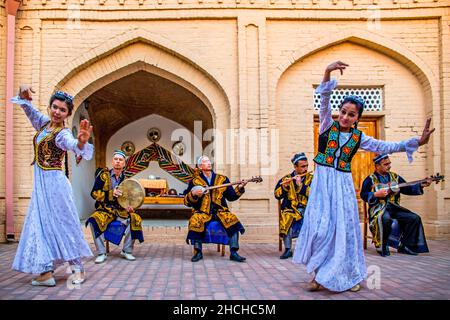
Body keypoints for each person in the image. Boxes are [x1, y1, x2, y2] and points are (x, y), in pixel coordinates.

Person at [292, 61, 435, 293]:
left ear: (358, 117)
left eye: (352, 115)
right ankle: (318, 274)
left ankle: (349, 274)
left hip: (343, 184)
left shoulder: (359, 138)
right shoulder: (327, 125)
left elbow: (388, 144)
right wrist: (327, 71)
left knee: (345, 230)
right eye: (344, 113)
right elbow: (325, 99)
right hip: (322, 183)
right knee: (321, 229)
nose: (346, 117)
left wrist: (418, 142)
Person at [11, 85, 94, 286]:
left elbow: (73, 145)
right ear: (49, 107)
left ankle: (78, 268)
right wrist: (24, 96)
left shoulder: (62, 134)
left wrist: (81, 143)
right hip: (41, 185)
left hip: (55, 185)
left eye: (62, 110)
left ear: (68, 114)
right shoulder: (43, 124)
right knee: (41, 226)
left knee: (63, 224)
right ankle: (46, 271)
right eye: (55, 107)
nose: (57, 112)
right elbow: (30, 112)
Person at [360, 154, 431, 257]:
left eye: (389, 163)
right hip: (378, 209)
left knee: (414, 218)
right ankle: (382, 246)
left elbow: (407, 188)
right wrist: (375, 194)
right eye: (385, 164)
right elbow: (363, 194)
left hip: (394, 207)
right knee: (385, 218)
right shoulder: (370, 179)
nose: (389, 166)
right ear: (377, 166)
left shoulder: (395, 177)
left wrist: (421, 185)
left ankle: (405, 246)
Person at [184, 156, 247, 262]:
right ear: (200, 166)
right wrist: (193, 194)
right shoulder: (194, 181)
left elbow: (231, 196)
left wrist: (240, 188)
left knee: (233, 219)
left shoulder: (222, 179)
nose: (208, 163)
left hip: (220, 212)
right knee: (195, 220)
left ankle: (234, 252)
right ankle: (198, 252)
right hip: (203, 212)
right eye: (205, 162)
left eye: (209, 161)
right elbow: (186, 202)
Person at [86, 150, 144, 263]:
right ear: (112, 162)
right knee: (93, 220)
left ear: (124, 163)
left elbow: (129, 197)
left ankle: (126, 251)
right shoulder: (103, 176)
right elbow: (94, 193)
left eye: (120, 160)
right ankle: (101, 252)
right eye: (115, 159)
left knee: (134, 219)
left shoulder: (127, 178)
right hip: (105, 209)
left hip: (120, 210)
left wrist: (130, 206)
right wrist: (110, 194)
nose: (118, 162)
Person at [274, 152, 313, 259]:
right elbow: (277, 195)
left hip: (307, 208)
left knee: (313, 218)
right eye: (302, 166)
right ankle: (288, 249)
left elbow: (315, 194)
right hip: (290, 209)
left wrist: (301, 185)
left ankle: (309, 249)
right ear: (295, 167)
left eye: (306, 166)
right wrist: (284, 188)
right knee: (287, 218)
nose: (305, 169)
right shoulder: (286, 178)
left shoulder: (312, 178)